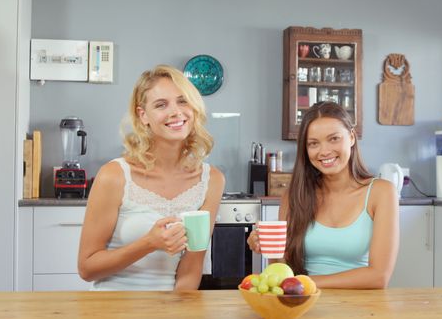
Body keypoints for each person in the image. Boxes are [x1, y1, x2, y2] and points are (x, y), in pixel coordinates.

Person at [78, 65, 224, 290]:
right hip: (109, 307)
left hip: (167, 309)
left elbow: (191, 268)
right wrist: (149, 243)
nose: (176, 112)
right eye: (161, 104)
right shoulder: (114, 176)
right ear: (143, 115)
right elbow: (87, 268)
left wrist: (176, 311)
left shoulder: (212, 180)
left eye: (183, 101)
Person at [248, 101, 399, 289]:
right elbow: (281, 270)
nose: (324, 151)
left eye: (334, 139)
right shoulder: (294, 196)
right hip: (304, 304)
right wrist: (269, 247)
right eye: (313, 143)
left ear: (351, 138)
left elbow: (379, 277)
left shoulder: (381, 192)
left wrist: (302, 284)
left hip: (360, 306)